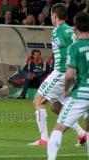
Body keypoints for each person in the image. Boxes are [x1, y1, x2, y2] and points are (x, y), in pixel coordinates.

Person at [29, 3, 86, 146]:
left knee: (38, 101)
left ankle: (44, 139)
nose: (50, 18)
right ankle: (82, 134)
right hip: (69, 74)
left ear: (55, 15)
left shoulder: (57, 31)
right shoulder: (70, 30)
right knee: (56, 107)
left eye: (51, 15)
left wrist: (68, 71)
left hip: (61, 73)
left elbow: (66, 52)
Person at [47, 12, 89, 160]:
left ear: (76, 27)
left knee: (59, 128)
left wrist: (66, 90)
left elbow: (70, 75)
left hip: (82, 94)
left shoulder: (75, 47)